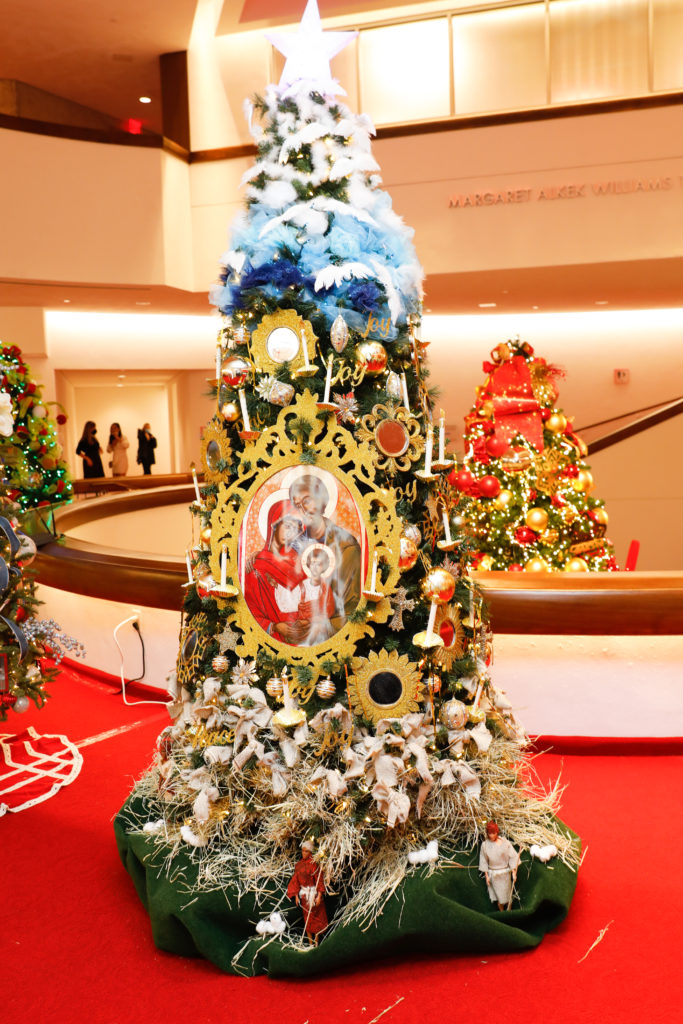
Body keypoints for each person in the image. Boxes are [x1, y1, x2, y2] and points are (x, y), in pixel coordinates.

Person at [289, 473, 361, 634]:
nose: (302, 509)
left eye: (307, 500)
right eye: (297, 505)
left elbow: (350, 609)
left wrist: (324, 625)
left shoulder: (346, 547)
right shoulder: (293, 545)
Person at [243, 500, 306, 642]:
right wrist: (275, 627)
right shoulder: (255, 566)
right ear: (275, 525)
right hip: (268, 643)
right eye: (287, 526)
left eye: (295, 529)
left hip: (300, 638)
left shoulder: (299, 562)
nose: (290, 533)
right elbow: (249, 610)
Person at [286, 840, 327, 945]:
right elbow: (295, 881)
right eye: (302, 851)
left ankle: (316, 941)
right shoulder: (298, 865)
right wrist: (296, 895)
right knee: (307, 920)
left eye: (306, 851)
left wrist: (319, 895)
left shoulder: (314, 865)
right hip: (304, 895)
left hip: (314, 894)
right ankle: (310, 942)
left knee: (317, 918)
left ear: (310, 853)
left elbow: (319, 879)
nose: (303, 853)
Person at [479, 821, 519, 911]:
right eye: (489, 833)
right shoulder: (485, 845)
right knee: (500, 899)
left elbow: (512, 856)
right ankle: (502, 912)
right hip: (494, 875)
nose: (491, 835)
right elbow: (483, 860)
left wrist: (513, 872)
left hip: (505, 874)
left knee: (508, 897)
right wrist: (486, 876)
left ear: (497, 832)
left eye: (493, 833)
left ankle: (509, 912)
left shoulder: (505, 843)